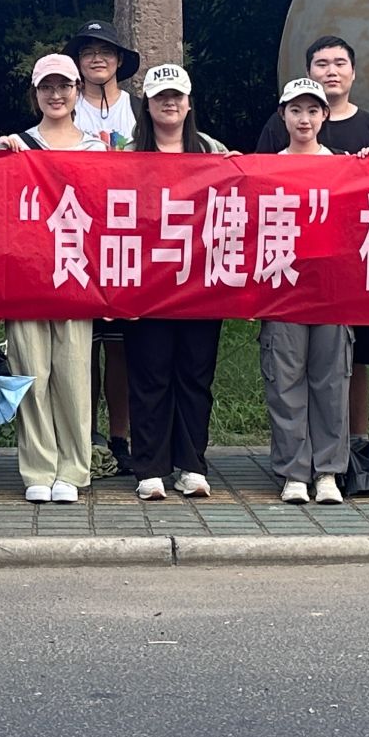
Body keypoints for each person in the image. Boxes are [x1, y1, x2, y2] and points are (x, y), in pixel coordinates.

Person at [251, 35, 369, 442]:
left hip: (343, 274)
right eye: (321, 63)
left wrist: (367, 170)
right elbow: (253, 190)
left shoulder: (368, 132)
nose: (331, 70)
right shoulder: (275, 138)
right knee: (289, 370)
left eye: (339, 63)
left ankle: (350, 447)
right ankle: (295, 458)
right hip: (287, 273)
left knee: (347, 363)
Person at [0, 53, 106, 502]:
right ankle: (38, 468)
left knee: (74, 375)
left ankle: (74, 469)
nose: (56, 95)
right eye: (47, 87)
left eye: (64, 86)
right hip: (26, 277)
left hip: (76, 276)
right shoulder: (15, 145)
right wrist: (0, 158)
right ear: (35, 93)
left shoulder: (97, 150)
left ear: (78, 90)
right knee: (31, 374)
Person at [125, 64, 228, 501]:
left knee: (195, 376)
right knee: (149, 375)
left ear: (189, 103)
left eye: (177, 96)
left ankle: (191, 464)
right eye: (160, 97)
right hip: (146, 284)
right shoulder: (127, 154)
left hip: (201, 282)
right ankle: (150, 466)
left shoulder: (214, 151)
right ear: (147, 105)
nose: (170, 103)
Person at [257, 78, 350, 505]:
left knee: (331, 383)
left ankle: (328, 471)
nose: (304, 119)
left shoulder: (345, 166)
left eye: (313, 111)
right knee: (285, 382)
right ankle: (294, 471)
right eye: (296, 110)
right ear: (283, 115)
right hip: (282, 290)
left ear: (325, 115)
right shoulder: (265, 167)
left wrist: (368, 167)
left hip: (332, 291)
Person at [64, 20, 139, 473]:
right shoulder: (65, 107)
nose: (97, 58)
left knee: (122, 346)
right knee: (81, 344)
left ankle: (121, 436)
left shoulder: (140, 108)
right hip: (78, 233)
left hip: (130, 234)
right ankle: (85, 435)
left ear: (119, 60)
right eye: (88, 51)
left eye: (105, 51)